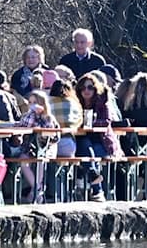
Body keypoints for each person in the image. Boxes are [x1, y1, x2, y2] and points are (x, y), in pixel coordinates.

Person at [75, 73, 116, 202]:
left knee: (92, 152)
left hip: (101, 140)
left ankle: (83, 181)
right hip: (81, 139)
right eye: (83, 88)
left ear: (95, 88)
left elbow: (106, 122)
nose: (86, 90)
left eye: (90, 87)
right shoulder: (75, 102)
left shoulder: (102, 102)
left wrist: (91, 123)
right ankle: (96, 189)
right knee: (85, 146)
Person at [48, 80, 82, 157]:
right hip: (67, 143)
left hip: (48, 144)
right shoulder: (73, 103)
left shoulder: (46, 102)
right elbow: (79, 122)